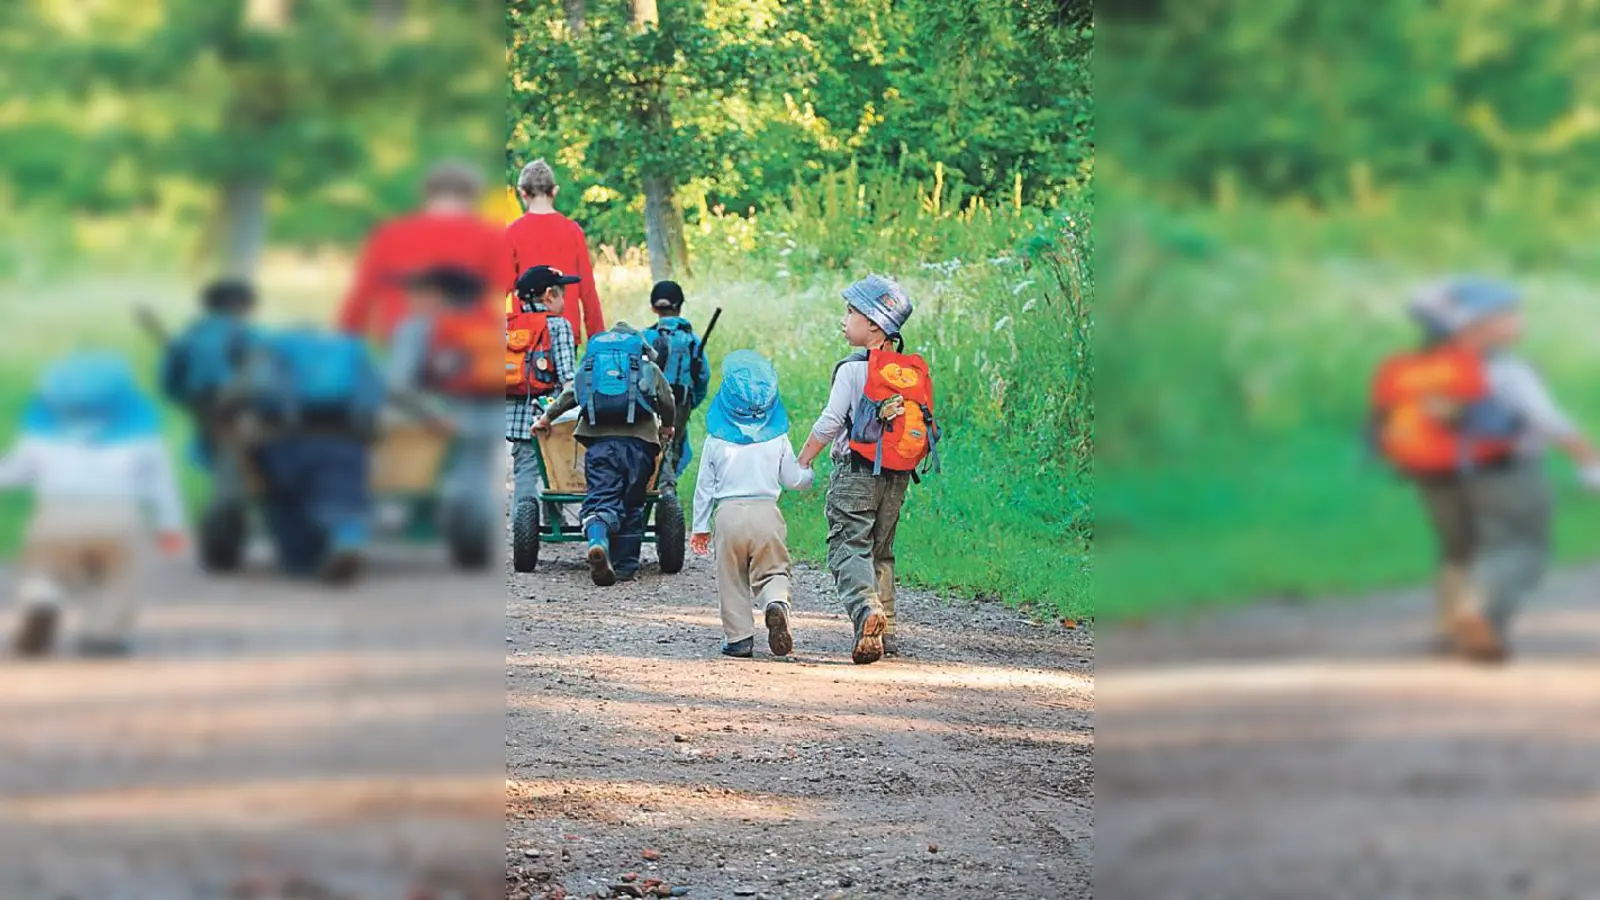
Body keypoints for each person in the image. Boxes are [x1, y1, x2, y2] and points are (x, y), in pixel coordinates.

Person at [1372, 277, 1600, 662]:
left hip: (1434, 475)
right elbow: (1548, 422)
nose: (1518, 321)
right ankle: (1480, 616)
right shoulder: (1504, 369)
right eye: (1507, 314)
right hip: (1505, 473)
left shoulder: (1412, 369)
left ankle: (1450, 626)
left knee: (1459, 549)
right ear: (1473, 326)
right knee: (1519, 546)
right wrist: (1589, 461)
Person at [0, 352, 187, 657]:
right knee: (118, 576)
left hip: (56, 516)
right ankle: (104, 634)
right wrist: (171, 526)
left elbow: (9, 474)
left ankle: (42, 597)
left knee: (42, 567)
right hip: (119, 517)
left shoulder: (40, 439)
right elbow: (162, 487)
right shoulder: (143, 438)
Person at [798, 274, 940, 664]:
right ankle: (887, 629)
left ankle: (866, 611)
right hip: (897, 475)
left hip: (856, 471)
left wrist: (805, 457)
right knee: (882, 549)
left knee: (848, 544)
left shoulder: (852, 369)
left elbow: (831, 422)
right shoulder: (908, 370)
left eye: (851, 312)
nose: (844, 319)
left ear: (875, 325)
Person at [530, 323, 677, 586]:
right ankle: (625, 567)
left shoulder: (591, 370)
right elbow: (667, 400)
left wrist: (546, 418)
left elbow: (569, 396)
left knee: (601, 500)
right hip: (640, 445)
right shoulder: (647, 368)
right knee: (633, 503)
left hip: (600, 443)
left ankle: (598, 542)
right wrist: (667, 425)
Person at [690, 351, 814, 658]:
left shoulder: (715, 440)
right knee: (773, 569)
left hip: (728, 515)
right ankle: (775, 602)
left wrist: (700, 527)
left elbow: (704, 487)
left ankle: (739, 639)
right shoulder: (777, 439)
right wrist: (808, 474)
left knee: (730, 577)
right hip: (766, 514)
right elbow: (793, 479)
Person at [240, 326, 387, 583]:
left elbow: (254, 389)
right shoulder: (352, 351)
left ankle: (298, 559)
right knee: (345, 494)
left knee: (286, 496)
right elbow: (375, 390)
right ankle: (347, 541)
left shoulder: (273, 350)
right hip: (345, 435)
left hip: (287, 436)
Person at [387, 265, 507, 563]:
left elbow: (398, 384)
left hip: (439, 418)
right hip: (487, 413)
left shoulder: (418, 328)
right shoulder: (487, 324)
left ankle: (442, 529)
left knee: (441, 478)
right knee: (474, 477)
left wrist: (430, 414)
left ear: (435, 294)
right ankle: (472, 543)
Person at [337, 160, 514, 345]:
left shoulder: (391, 234)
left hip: (401, 333)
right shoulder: (491, 235)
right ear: (474, 195)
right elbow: (510, 287)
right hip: (471, 337)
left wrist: (345, 338)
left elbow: (363, 293)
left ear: (426, 193)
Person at [507, 265, 580, 549]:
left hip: (515, 415)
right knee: (555, 467)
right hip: (550, 415)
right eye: (562, 294)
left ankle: (522, 527)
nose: (564, 301)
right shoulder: (558, 326)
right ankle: (554, 520)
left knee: (525, 468)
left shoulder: (509, 325)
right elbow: (567, 378)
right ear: (549, 296)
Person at [159, 278, 260, 475]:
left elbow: (170, 377)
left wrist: (184, 399)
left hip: (200, 402)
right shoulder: (245, 333)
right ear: (245, 306)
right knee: (240, 459)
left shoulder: (191, 333)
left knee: (216, 454)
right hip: (236, 404)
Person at [505, 159, 606, 344]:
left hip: (526, 332)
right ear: (554, 191)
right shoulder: (573, 231)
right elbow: (588, 289)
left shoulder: (512, 232)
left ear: (522, 193)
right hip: (566, 329)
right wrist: (597, 337)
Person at [640, 280, 712, 486]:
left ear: (653, 307)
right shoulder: (691, 339)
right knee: (671, 448)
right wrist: (690, 403)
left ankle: (649, 487)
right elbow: (702, 377)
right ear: (680, 306)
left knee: (648, 445)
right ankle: (666, 491)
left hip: (648, 403)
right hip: (679, 402)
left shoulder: (645, 337)